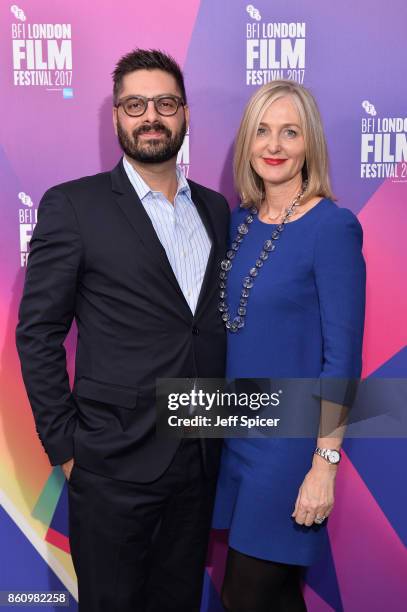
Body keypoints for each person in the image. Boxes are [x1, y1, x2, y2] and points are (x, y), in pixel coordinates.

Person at [16, 48, 230, 612]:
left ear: (185, 115)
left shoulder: (215, 209)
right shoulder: (74, 206)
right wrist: (66, 447)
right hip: (111, 465)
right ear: (116, 116)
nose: (150, 117)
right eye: (135, 104)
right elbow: (37, 333)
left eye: (165, 103)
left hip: (199, 461)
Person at [212, 80, 366, 611]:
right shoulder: (235, 224)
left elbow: (342, 359)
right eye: (262, 130)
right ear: (247, 142)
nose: (274, 145)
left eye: (290, 132)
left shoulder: (333, 227)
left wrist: (324, 464)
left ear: (310, 145)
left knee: (245, 596)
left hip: (287, 448)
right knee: (273, 599)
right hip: (228, 433)